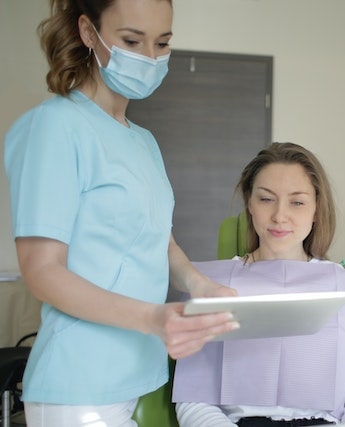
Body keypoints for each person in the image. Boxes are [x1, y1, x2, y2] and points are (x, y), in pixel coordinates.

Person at [3, 0, 238, 425]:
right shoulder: (54, 126)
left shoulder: (143, 141)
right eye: (132, 41)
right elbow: (41, 270)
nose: (149, 58)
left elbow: (158, 240)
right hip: (78, 384)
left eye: (162, 42)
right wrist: (153, 318)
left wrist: (200, 285)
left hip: (137, 374)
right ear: (89, 32)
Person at [173, 142, 345, 426]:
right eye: (266, 199)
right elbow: (193, 399)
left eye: (297, 202)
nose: (279, 216)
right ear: (249, 203)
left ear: (316, 210)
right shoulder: (209, 286)